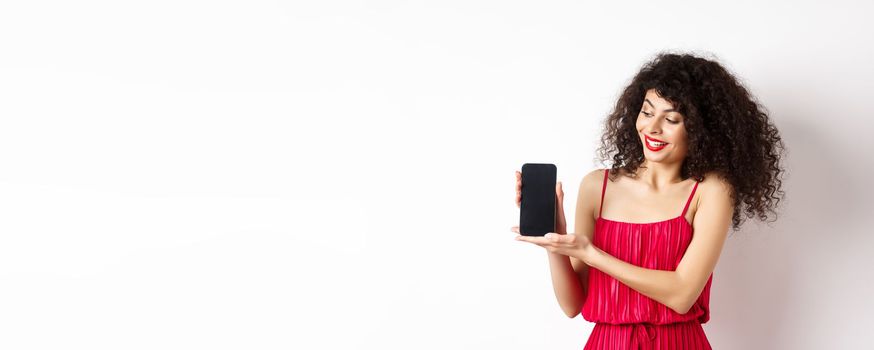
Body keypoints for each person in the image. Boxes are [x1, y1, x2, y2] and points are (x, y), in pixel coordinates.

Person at [511, 52, 786, 349]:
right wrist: (555, 243)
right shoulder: (596, 186)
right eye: (646, 112)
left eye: (671, 119)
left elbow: (682, 296)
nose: (652, 128)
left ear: (702, 129)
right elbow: (572, 305)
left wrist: (593, 255)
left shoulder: (711, 191)